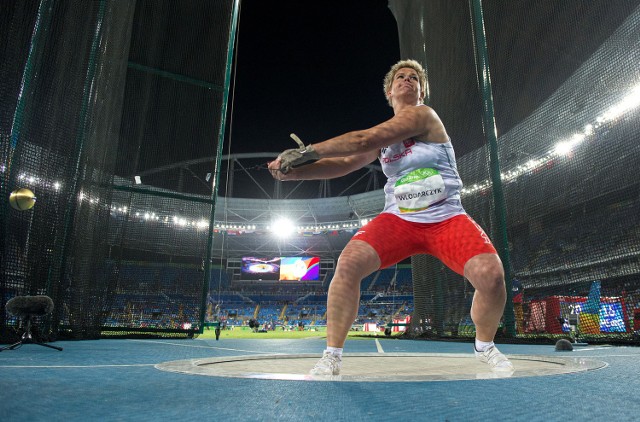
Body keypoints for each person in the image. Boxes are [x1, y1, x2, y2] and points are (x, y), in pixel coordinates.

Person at [268, 59, 513, 375]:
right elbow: (346, 162)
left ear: (421, 91)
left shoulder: (425, 116)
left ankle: (485, 346)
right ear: (389, 91)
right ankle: (332, 356)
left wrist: (309, 152)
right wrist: (294, 174)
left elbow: (362, 140)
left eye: (415, 78)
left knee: (492, 277)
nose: (408, 79)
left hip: (446, 217)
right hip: (398, 220)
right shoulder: (383, 140)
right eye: (401, 76)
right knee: (348, 264)